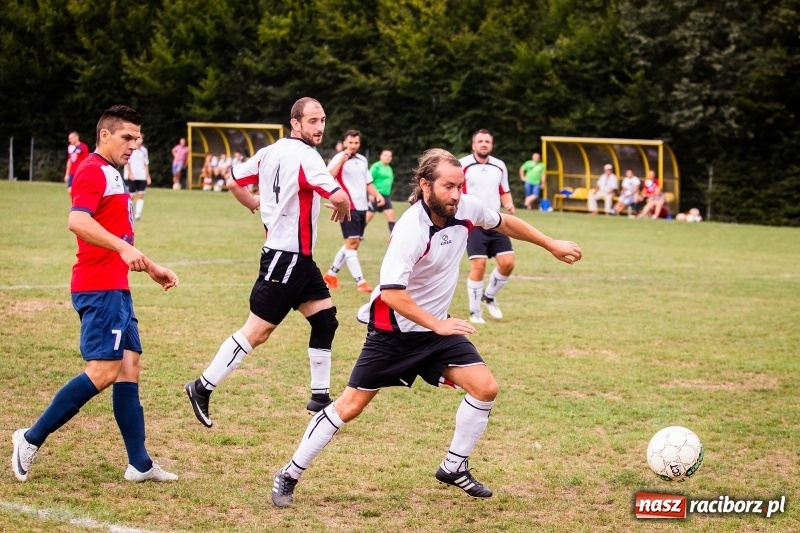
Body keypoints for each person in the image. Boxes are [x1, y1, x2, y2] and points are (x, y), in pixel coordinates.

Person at [270, 148, 582, 507]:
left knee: (485, 388)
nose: (456, 194)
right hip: (393, 333)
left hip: (436, 332)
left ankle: (453, 465)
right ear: (425, 184)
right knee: (351, 406)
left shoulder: (465, 208)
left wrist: (550, 243)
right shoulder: (410, 229)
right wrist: (439, 323)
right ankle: (289, 473)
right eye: (448, 186)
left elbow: (503, 222)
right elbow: (390, 293)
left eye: (460, 186)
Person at [11, 105, 180, 484]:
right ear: (105, 135)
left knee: (129, 367)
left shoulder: (113, 174)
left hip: (116, 286)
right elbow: (77, 219)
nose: (134, 145)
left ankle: (139, 463)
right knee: (104, 371)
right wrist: (122, 251)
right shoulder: (92, 170)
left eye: (137, 138)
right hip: (98, 287)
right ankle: (30, 438)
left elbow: (120, 237)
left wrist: (151, 267)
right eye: (127, 137)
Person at [184, 97, 351, 428]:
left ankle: (319, 396)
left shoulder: (269, 152)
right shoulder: (307, 157)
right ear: (296, 123)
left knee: (326, 320)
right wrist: (343, 206)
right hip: (286, 258)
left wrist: (253, 203)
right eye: (313, 121)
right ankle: (201, 387)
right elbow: (338, 195)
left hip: (298, 260)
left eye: (323, 120)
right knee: (257, 331)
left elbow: (233, 180)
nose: (320, 127)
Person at [459, 129, 515, 324]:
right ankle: (475, 312)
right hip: (473, 223)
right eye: (480, 141)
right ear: (473, 144)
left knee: (508, 263)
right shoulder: (463, 165)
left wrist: (508, 203)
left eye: (487, 141)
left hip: (495, 221)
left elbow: (504, 190)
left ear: (491, 145)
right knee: (479, 265)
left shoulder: (499, 166)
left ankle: (489, 296)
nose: (484, 144)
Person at [323, 130, 385, 293]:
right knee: (352, 243)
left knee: (354, 243)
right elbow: (328, 177)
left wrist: (377, 194)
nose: (353, 146)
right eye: (350, 142)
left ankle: (330, 274)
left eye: (356, 143)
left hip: (362, 206)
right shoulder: (338, 157)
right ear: (344, 143)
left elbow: (367, 182)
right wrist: (341, 161)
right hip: (347, 206)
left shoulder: (363, 160)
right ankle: (361, 282)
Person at [365, 149, 397, 234]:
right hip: (376, 195)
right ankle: (358, 233)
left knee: (391, 216)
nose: (388, 157)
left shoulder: (389, 168)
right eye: (386, 155)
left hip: (386, 196)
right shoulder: (376, 167)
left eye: (390, 156)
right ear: (381, 156)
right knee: (368, 216)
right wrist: (371, 194)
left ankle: (393, 237)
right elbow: (368, 181)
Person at [125, 134, 151, 221]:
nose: (140, 140)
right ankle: (127, 213)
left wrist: (147, 176)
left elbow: (146, 164)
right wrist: (130, 173)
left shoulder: (144, 150)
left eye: (141, 138)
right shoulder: (130, 149)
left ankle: (137, 215)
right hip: (133, 176)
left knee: (141, 194)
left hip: (142, 176)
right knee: (131, 196)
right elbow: (127, 162)